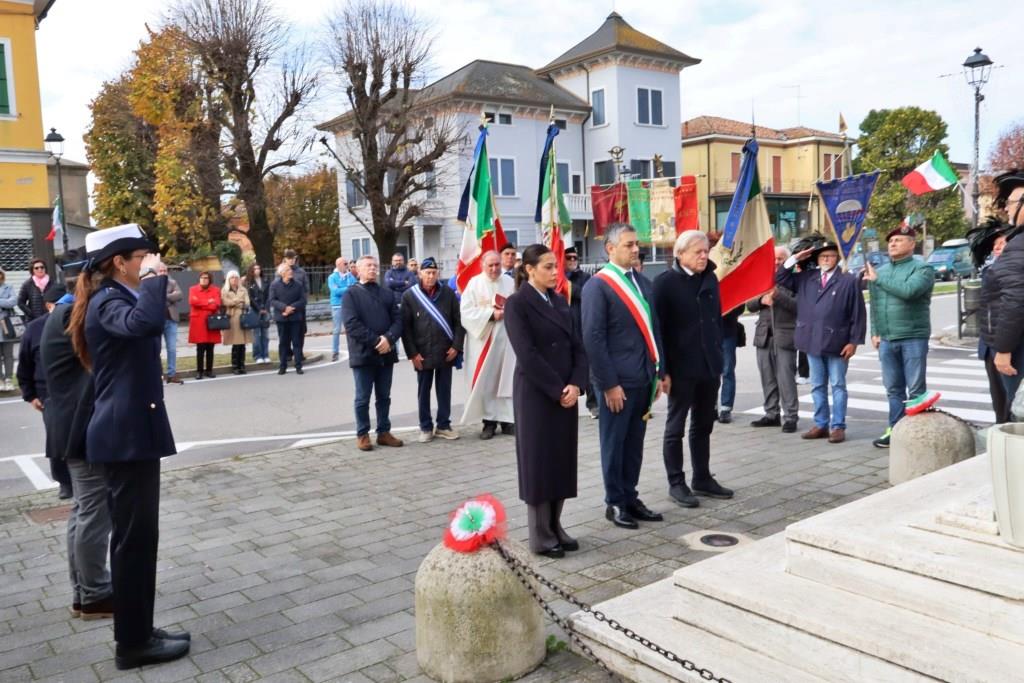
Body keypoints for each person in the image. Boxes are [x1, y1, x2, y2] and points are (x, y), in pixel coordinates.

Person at [66, 223, 190, 669]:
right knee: (133, 542)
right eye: (144, 257)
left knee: (140, 539)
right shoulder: (108, 302)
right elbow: (146, 323)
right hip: (125, 439)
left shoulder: (118, 298)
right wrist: (157, 279)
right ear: (119, 262)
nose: (152, 263)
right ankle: (132, 644)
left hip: (133, 435)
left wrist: (152, 281)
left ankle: (139, 628)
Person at [41, 255, 114, 622]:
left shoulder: (61, 316)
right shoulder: (72, 318)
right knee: (94, 513)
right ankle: (96, 592)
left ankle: (83, 592)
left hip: (67, 428)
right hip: (79, 430)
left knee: (83, 512)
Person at [505, 244, 588, 557]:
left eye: (557, 266)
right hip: (538, 395)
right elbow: (527, 354)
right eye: (549, 267)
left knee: (561, 460)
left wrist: (577, 384)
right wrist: (558, 390)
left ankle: (556, 524)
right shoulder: (517, 304)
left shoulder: (559, 300)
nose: (556, 272)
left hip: (567, 392)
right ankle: (540, 534)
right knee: (539, 463)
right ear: (529, 270)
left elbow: (578, 346)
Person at [582, 223, 665, 529]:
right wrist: (608, 384)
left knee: (634, 445)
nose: (635, 249)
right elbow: (593, 339)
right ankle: (614, 501)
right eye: (629, 244)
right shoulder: (598, 286)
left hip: (643, 378)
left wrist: (660, 372)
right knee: (614, 444)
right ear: (610, 248)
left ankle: (630, 496)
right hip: (617, 383)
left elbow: (654, 330)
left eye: (636, 244)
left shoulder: (644, 283)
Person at [654, 230, 734, 508]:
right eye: (698, 252)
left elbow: (715, 319)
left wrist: (719, 359)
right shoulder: (664, 284)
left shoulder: (710, 278)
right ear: (681, 254)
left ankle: (702, 477)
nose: (704, 256)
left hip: (709, 365)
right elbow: (658, 331)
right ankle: (676, 483)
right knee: (675, 427)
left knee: (703, 424)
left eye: (706, 251)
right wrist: (662, 371)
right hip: (680, 368)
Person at [778, 241, 866, 443]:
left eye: (831, 256)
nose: (826, 259)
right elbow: (781, 277)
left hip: (838, 342)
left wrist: (853, 342)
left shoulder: (848, 280)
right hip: (812, 340)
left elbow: (858, 314)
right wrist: (795, 258)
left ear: (838, 258)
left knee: (837, 385)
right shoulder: (807, 278)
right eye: (823, 256)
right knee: (817, 385)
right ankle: (821, 424)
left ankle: (838, 427)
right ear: (817, 259)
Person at [863, 225, 935, 447]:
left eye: (899, 240)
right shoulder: (881, 271)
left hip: (913, 336)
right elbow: (874, 305)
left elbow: (909, 291)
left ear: (912, 244)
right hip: (887, 338)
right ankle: (895, 429)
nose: (893, 243)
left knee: (915, 390)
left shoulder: (923, 269)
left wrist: (878, 280)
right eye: (891, 240)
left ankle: (918, 434)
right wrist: (875, 332)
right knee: (893, 388)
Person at [343, 255, 404, 451]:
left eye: (375, 266)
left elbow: (398, 320)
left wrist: (389, 338)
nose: (372, 269)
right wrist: (377, 341)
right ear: (358, 270)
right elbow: (352, 324)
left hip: (386, 354)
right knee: (362, 398)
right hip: (363, 354)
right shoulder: (350, 295)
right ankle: (362, 434)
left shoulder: (386, 293)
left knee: (384, 396)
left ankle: (384, 432)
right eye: (368, 266)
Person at [18, 284, 73, 499]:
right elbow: (24, 365)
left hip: (78, 390)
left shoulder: (77, 323)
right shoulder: (35, 329)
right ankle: (64, 482)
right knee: (57, 439)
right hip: (48, 394)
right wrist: (30, 395)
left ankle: (83, 478)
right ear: (49, 305)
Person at [401, 257, 464, 442]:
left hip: (446, 351)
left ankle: (443, 425)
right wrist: (412, 353)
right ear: (420, 273)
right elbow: (406, 329)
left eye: (434, 273)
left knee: (444, 390)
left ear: (438, 274)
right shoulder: (410, 296)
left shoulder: (448, 294)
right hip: (422, 353)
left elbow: (459, 323)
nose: (430, 276)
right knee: (423, 391)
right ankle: (426, 427)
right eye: (427, 273)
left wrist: (456, 346)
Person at [980, 170, 1024, 421]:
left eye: (1010, 203)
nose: (1006, 209)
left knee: (1018, 412)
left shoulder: (1019, 245)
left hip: (1018, 348)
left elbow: (1015, 299)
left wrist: (1004, 349)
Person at [460, 251, 516, 439]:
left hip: (507, 341)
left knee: (506, 379)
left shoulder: (509, 283)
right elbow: (466, 313)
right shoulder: (474, 284)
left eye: (497, 265)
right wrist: (491, 315)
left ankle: (508, 421)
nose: (494, 269)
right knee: (487, 381)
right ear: (483, 265)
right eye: (490, 265)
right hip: (484, 341)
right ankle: (489, 423)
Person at [746, 246, 799, 433]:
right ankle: (771, 413)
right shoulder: (762, 279)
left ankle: (791, 416)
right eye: (774, 258)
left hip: (785, 336)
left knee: (786, 379)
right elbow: (749, 304)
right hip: (764, 336)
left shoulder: (795, 280)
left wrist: (778, 295)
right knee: (767, 378)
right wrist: (761, 300)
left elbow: (798, 306)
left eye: (781, 258)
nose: (776, 262)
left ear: (788, 260)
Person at [565, 246, 597, 418]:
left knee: (588, 367)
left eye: (574, 257)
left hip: (582, 325)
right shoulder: (558, 277)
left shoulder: (584, 277)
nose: (571, 260)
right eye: (568, 257)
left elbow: (586, 294)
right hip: (565, 328)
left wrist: (568, 286)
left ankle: (593, 404)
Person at [268, 262, 306, 375]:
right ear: (282, 273)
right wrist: (284, 308)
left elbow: (303, 300)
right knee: (283, 343)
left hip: (295, 318)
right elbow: (272, 300)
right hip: (282, 318)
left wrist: (291, 308)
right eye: (288, 270)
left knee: (297, 342)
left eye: (291, 270)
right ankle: (282, 366)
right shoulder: (275, 285)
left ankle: (298, 366)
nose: (291, 272)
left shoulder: (298, 284)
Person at [187, 272, 221, 380]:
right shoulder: (193, 289)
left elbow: (216, 304)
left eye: (206, 278)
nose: (203, 279)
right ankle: (199, 371)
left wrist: (202, 303)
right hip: (198, 322)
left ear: (209, 279)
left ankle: (209, 370)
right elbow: (193, 302)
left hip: (211, 321)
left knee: (210, 347)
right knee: (200, 348)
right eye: (202, 278)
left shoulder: (215, 290)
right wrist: (208, 302)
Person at [221, 270, 252, 375]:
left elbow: (247, 303)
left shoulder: (243, 289)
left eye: (236, 277)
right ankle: (235, 366)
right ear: (228, 279)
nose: (234, 279)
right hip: (232, 317)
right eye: (232, 277)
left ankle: (242, 365)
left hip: (243, 317)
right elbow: (225, 302)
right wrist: (238, 301)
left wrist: (235, 302)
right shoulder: (225, 290)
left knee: (242, 343)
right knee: (235, 343)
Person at [716, 308, 744, 423]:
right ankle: (710, 407)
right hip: (708, 333)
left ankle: (725, 409)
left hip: (727, 332)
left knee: (727, 370)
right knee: (710, 372)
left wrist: (728, 309)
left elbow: (740, 306)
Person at [157, 263, 183, 384]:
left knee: (172, 349)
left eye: (165, 270)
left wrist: (164, 296)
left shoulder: (172, 282)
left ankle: (172, 374)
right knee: (156, 349)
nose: (163, 272)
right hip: (156, 321)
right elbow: (152, 298)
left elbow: (179, 295)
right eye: (161, 271)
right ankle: (158, 374)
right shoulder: (151, 283)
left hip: (171, 320)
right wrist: (169, 297)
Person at [328, 257, 356, 362]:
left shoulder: (350, 276)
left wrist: (344, 288)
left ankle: (353, 350)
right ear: (338, 265)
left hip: (348, 305)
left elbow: (355, 286)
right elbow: (335, 291)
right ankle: (335, 352)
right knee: (336, 330)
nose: (347, 265)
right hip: (337, 306)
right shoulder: (332, 277)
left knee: (350, 329)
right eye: (345, 264)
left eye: (347, 263)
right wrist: (348, 288)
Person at [243, 263, 270, 364]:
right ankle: (257, 355)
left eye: (259, 268)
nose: (257, 270)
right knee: (257, 334)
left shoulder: (266, 281)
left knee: (265, 334)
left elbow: (269, 295)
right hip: (255, 311)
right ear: (251, 271)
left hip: (265, 310)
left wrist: (266, 307)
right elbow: (250, 298)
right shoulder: (249, 282)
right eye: (255, 269)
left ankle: (266, 354)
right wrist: (259, 309)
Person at [18, 257, 55, 321]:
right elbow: (20, 302)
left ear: (45, 268)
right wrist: (31, 313)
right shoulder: (27, 284)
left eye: (42, 267)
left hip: (50, 319)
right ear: (32, 270)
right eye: (36, 268)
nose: (40, 269)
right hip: (34, 320)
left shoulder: (52, 282)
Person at [0, 267, 17, 391]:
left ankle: (9, 379)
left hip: (6, 324)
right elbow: (8, 302)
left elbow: (13, 301)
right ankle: (0, 379)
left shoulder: (9, 287)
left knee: (8, 354)